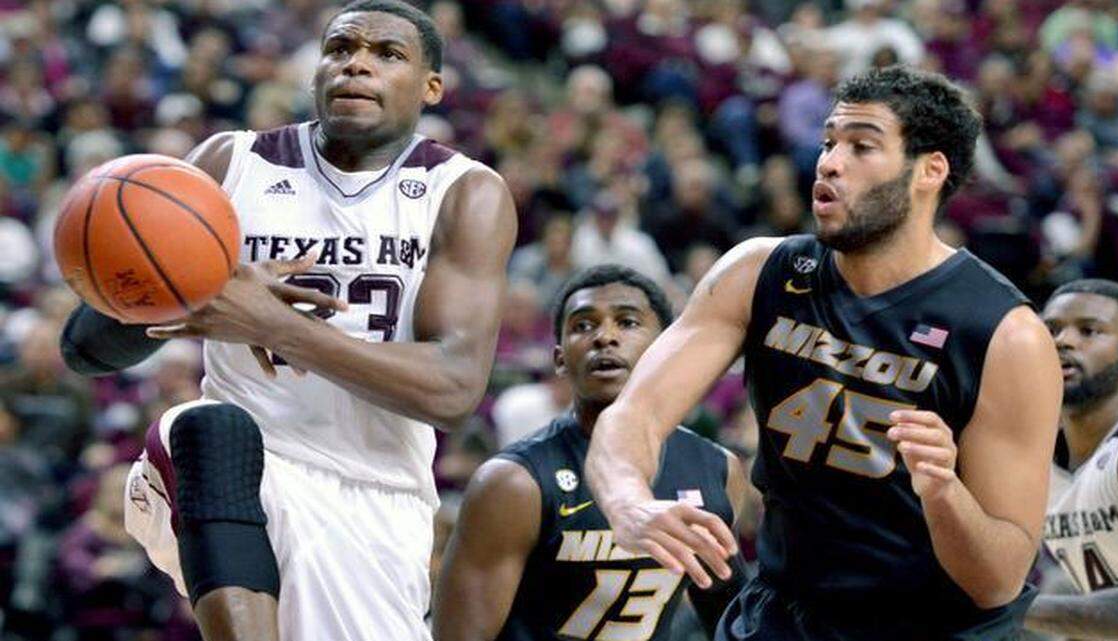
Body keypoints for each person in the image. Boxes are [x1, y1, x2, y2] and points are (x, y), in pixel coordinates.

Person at [58, 1, 517, 640]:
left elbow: (453, 390)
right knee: (205, 427)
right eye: (340, 49)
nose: (357, 64)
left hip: (378, 495)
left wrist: (271, 325)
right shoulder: (232, 164)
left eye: (388, 55)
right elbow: (85, 347)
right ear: (316, 69)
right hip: (240, 466)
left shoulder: (462, 191)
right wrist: (194, 288)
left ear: (431, 87)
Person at [584, 65, 1063, 640]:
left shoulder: (1005, 333)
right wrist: (630, 503)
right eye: (829, 142)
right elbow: (634, 414)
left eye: (862, 146)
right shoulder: (759, 272)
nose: (830, 163)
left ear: (930, 171)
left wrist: (943, 492)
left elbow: (999, 581)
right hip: (785, 611)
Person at [433, 264, 750, 641]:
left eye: (627, 322)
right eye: (583, 325)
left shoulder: (717, 469)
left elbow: (729, 620)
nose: (604, 337)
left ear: (665, 349)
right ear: (559, 359)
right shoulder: (513, 483)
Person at [1025, 279, 1118, 638]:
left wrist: (1006, 609)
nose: (1063, 341)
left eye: (1089, 331)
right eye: (1051, 330)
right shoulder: (1037, 458)